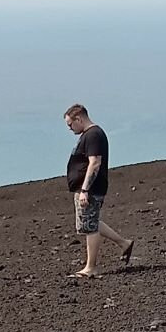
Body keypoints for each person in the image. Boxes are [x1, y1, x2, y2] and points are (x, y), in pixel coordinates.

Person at [64, 104, 134, 278]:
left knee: (90, 227)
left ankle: (91, 267)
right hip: (87, 188)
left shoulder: (94, 135)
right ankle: (124, 243)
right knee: (91, 221)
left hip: (91, 189)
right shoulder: (89, 135)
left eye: (70, 124)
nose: (70, 129)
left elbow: (95, 162)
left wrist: (85, 189)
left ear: (79, 119)